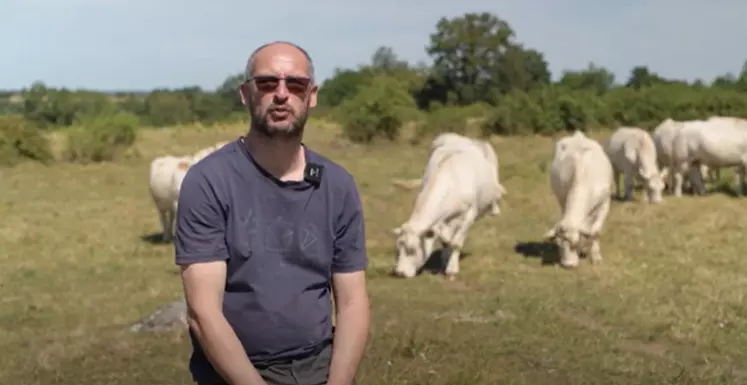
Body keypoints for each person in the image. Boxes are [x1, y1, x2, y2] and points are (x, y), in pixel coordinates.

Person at [174, 41, 371, 385]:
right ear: (245, 93)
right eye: (267, 83)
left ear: (311, 95)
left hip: (321, 366)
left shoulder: (337, 185)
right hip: (235, 371)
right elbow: (203, 312)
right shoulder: (208, 181)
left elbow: (353, 302)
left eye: (295, 84)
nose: (281, 94)